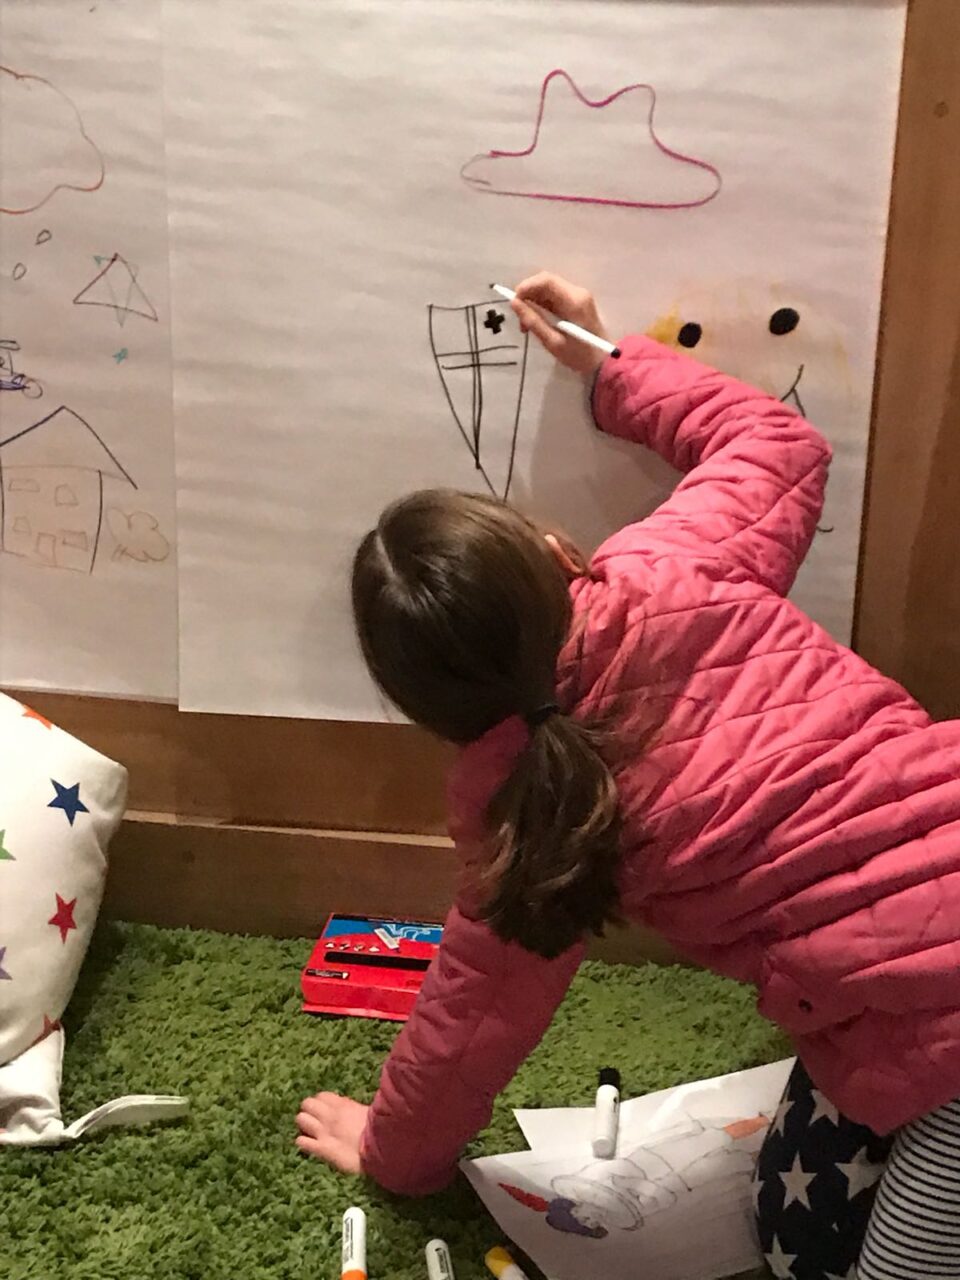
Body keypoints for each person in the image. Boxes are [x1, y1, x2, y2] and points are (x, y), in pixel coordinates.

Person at [295, 273, 960, 1280]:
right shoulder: (670, 562)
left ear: (431, 717)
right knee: (794, 1225)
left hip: (941, 1028)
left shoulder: (523, 818)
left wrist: (396, 1152)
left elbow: (474, 1016)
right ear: (564, 555)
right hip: (911, 1003)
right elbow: (778, 445)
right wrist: (609, 360)